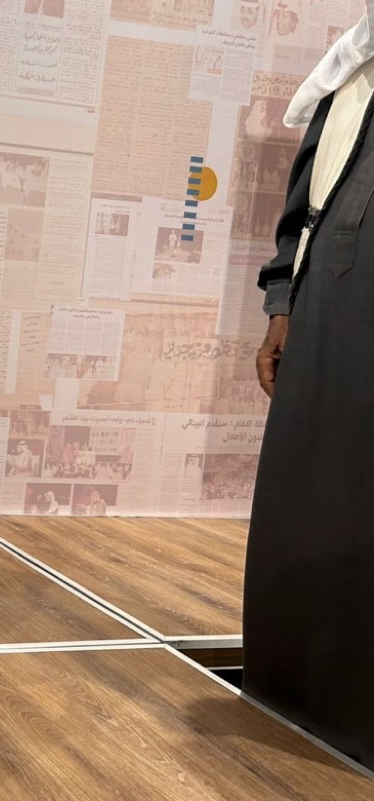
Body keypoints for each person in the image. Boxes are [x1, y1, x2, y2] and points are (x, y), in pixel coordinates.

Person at [248, 8, 374, 767]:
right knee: (307, 507)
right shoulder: (349, 75)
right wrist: (281, 307)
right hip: (327, 314)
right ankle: (289, 703)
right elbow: (302, 216)